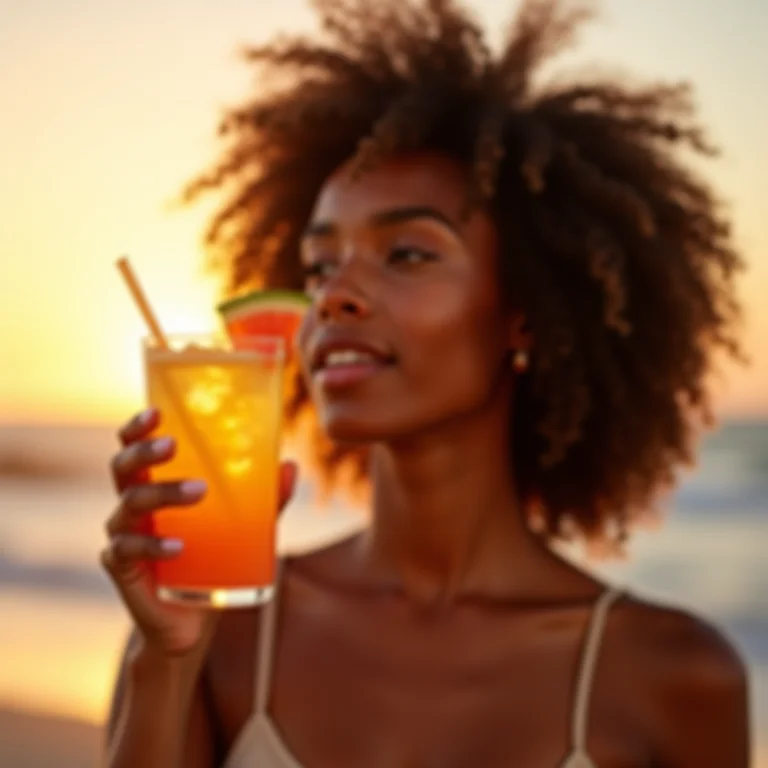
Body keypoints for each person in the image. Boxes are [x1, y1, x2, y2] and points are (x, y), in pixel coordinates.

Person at [102, 1, 751, 766]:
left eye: (406, 253)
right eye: (318, 266)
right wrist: (166, 663)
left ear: (528, 314)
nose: (334, 294)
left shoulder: (672, 676)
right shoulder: (218, 632)